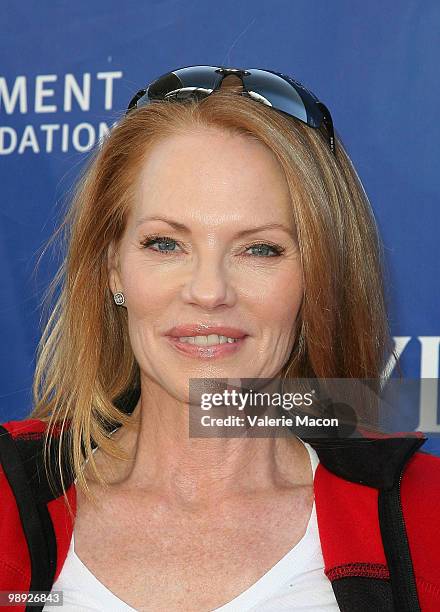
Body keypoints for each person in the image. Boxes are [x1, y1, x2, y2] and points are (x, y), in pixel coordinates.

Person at [0, 65, 439, 612]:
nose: (208, 292)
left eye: (260, 249)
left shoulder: (427, 521)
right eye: (165, 244)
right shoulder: (6, 503)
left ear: (318, 275)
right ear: (113, 267)